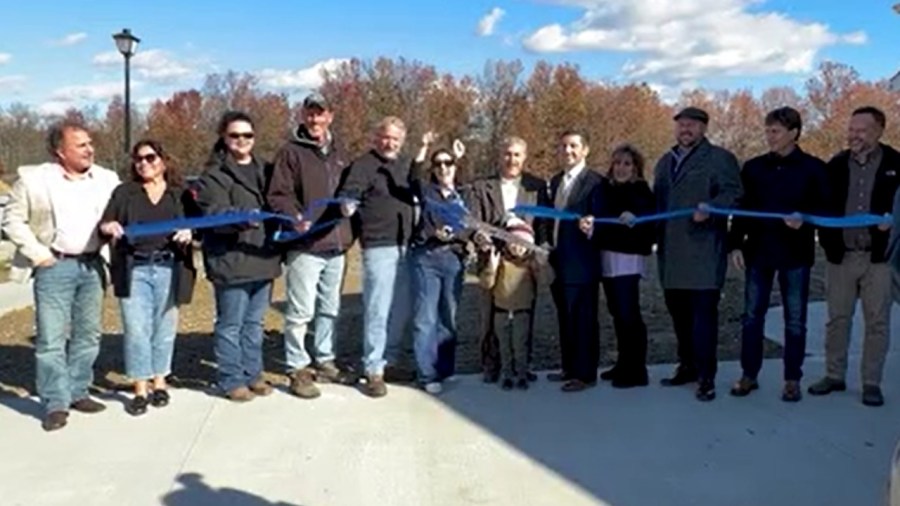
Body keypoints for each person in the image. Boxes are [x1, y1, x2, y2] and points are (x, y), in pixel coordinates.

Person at [1, 119, 120, 431]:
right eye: (81, 144)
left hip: (93, 265)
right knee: (51, 338)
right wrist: (39, 254)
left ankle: (78, 390)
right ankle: (55, 401)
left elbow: (120, 214)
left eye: (90, 143)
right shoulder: (34, 180)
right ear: (60, 150)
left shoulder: (106, 179)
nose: (89, 149)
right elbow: (13, 221)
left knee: (88, 334)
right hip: (55, 266)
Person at [727, 107, 828, 402]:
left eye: (776, 131)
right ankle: (749, 375)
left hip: (795, 255)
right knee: (751, 317)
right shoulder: (754, 168)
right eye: (767, 130)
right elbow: (742, 209)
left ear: (794, 133)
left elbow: (827, 207)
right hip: (758, 252)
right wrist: (735, 244)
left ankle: (792, 379)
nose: (769, 136)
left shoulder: (813, 168)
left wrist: (805, 216)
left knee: (795, 319)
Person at [809, 106, 900, 407]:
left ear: (879, 131)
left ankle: (871, 382)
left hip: (878, 260)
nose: (853, 135)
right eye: (851, 129)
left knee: (877, 322)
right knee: (837, 319)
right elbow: (819, 205)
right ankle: (834, 375)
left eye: (861, 130)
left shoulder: (896, 164)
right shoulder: (834, 165)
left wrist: (894, 223)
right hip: (841, 257)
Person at [98, 140, 197, 415]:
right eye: (138, 159)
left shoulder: (179, 195)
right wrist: (110, 226)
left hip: (169, 266)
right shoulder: (124, 193)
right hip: (135, 269)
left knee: (164, 329)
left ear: (163, 160)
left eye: (150, 157)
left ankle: (160, 383)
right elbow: (105, 223)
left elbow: (196, 225)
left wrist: (189, 232)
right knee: (136, 330)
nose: (143, 163)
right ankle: (140, 389)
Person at [266, 93, 354, 399]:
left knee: (330, 309)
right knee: (301, 311)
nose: (315, 120)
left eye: (320, 113)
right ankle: (297, 366)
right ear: (303, 117)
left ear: (330, 115)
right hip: (305, 245)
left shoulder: (341, 152)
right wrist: (294, 217)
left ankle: (325, 358)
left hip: (337, 243)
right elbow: (277, 194)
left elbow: (351, 189)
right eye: (310, 114)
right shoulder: (291, 153)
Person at [336, 116, 430, 398]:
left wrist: (424, 152)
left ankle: (391, 361)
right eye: (386, 137)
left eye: (396, 139)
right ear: (377, 138)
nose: (390, 143)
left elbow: (418, 184)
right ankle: (373, 368)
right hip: (379, 246)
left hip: (406, 246)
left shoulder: (401, 166)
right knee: (378, 309)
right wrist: (347, 204)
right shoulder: (364, 165)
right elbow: (349, 192)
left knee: (400, 310)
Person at [653, 106, 742, 402]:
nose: (685, 130)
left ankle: (706, 376)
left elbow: (734, 194)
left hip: (704, 252)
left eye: (692, 125)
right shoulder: (665, 162)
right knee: (679, 317)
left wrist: (713, 207)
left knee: (703, 319)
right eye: (681, 125)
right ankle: (687, 366)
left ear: (704, 128)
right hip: (671, 253)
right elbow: (656, 203)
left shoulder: (719, 159)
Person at [194, 111, 282, 402]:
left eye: (247, 135)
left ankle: (253, 373)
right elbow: (213, 213)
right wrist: (240, 218)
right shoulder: (213, 176)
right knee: (231, 325)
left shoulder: (266, 170)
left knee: (255, 325)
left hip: (263, 257)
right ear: (224, 137)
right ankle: (231, 379)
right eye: (235, 135)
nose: (242, 140)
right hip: (231, 259)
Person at [468, 136, 550, 383]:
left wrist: (542, 246)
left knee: (525, 316)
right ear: (499, 156)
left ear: (524, 157)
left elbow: (544, 222)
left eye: (516, 154)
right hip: (492, 262)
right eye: (507, 154)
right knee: (490, 318)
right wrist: (479, 236)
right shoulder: (482, 186)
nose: (511, 159)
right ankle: (492, 367)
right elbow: (473, 221)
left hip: (525, 263)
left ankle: (522, 367)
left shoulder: (536, 186)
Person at [579, 144, 655, 388]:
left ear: (635, 168)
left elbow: (648, 225)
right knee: (617, 313)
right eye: (617, 163)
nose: (621, 168)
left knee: (628, 314)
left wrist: (635, 221)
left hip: (627, 260)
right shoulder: (604, 190)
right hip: (607, 259)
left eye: (627, 164)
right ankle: (624, 363)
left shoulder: (641, 192)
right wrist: (590, 226)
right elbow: (599, 221)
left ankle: (636, 370)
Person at [547, 130, 604, 392]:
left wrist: (592, 227)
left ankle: (585, 374)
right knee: (565, 317)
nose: (567, 151)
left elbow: (603, 220)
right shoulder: (557, 180)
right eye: (563, 146)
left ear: (585, 150)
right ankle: (569, 367)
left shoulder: (595, 182)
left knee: (583, 319)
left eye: (573, 146)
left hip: (583, 263)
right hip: (558, 260)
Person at [409, 146, 468, 395]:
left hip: (454, 259)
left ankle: (445, 369)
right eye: (438, 164)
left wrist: (459, 236)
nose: (444, 168)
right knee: (426, 318)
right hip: (427, 258)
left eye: (448, 163)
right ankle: (427, 374)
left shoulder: (463, 194)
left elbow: (470, 224)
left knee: (448, 316)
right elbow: (412, 177)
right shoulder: (426, 191)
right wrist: (421, 150)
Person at [479, 217, 551, 391]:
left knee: (520, 345)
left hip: (522, 311)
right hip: (501, 311)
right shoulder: (501, 260)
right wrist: (492, 267)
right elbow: (487, 284)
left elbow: (545, 282)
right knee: (504, 345)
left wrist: (543, 265)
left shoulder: (530, 263)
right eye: (512, 242)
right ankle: (507, 374)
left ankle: (522, 374)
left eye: (521, 244)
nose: (516, 247)